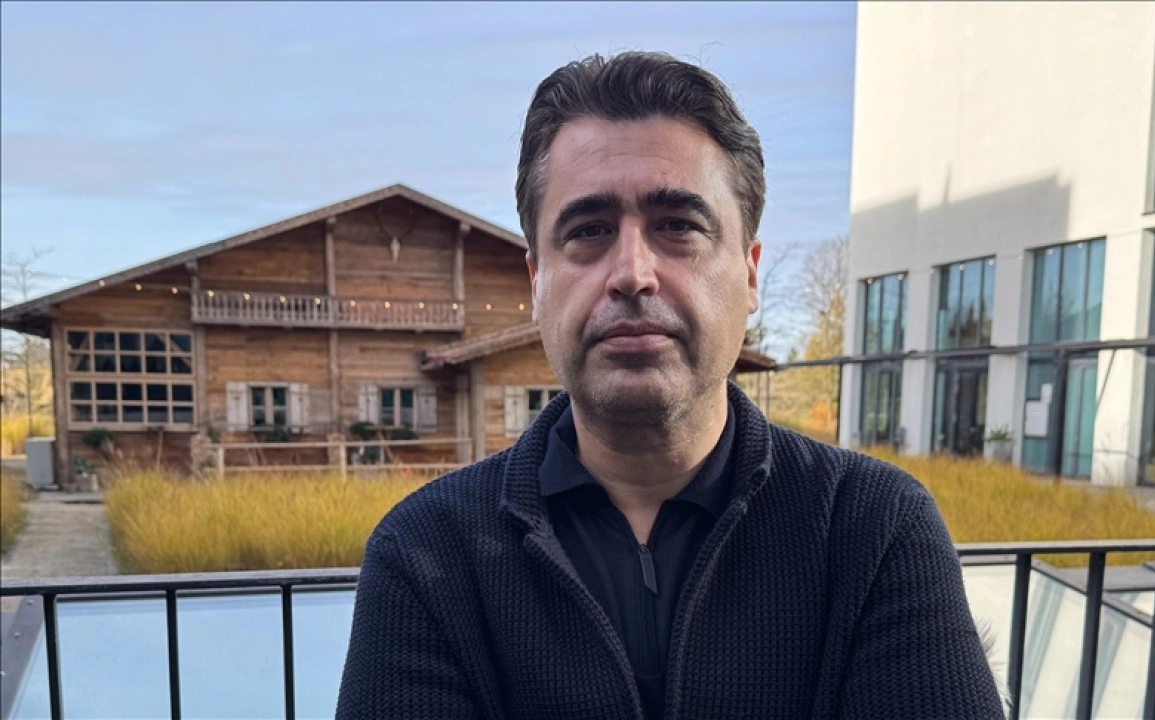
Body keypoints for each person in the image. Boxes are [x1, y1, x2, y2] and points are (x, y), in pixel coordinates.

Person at [337, 51, 1005, 719]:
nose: (632, 272)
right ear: (537, 282)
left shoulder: (875, 531)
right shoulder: (426, 555)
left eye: (678, 227)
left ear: (749, 274)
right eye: (589, 231)